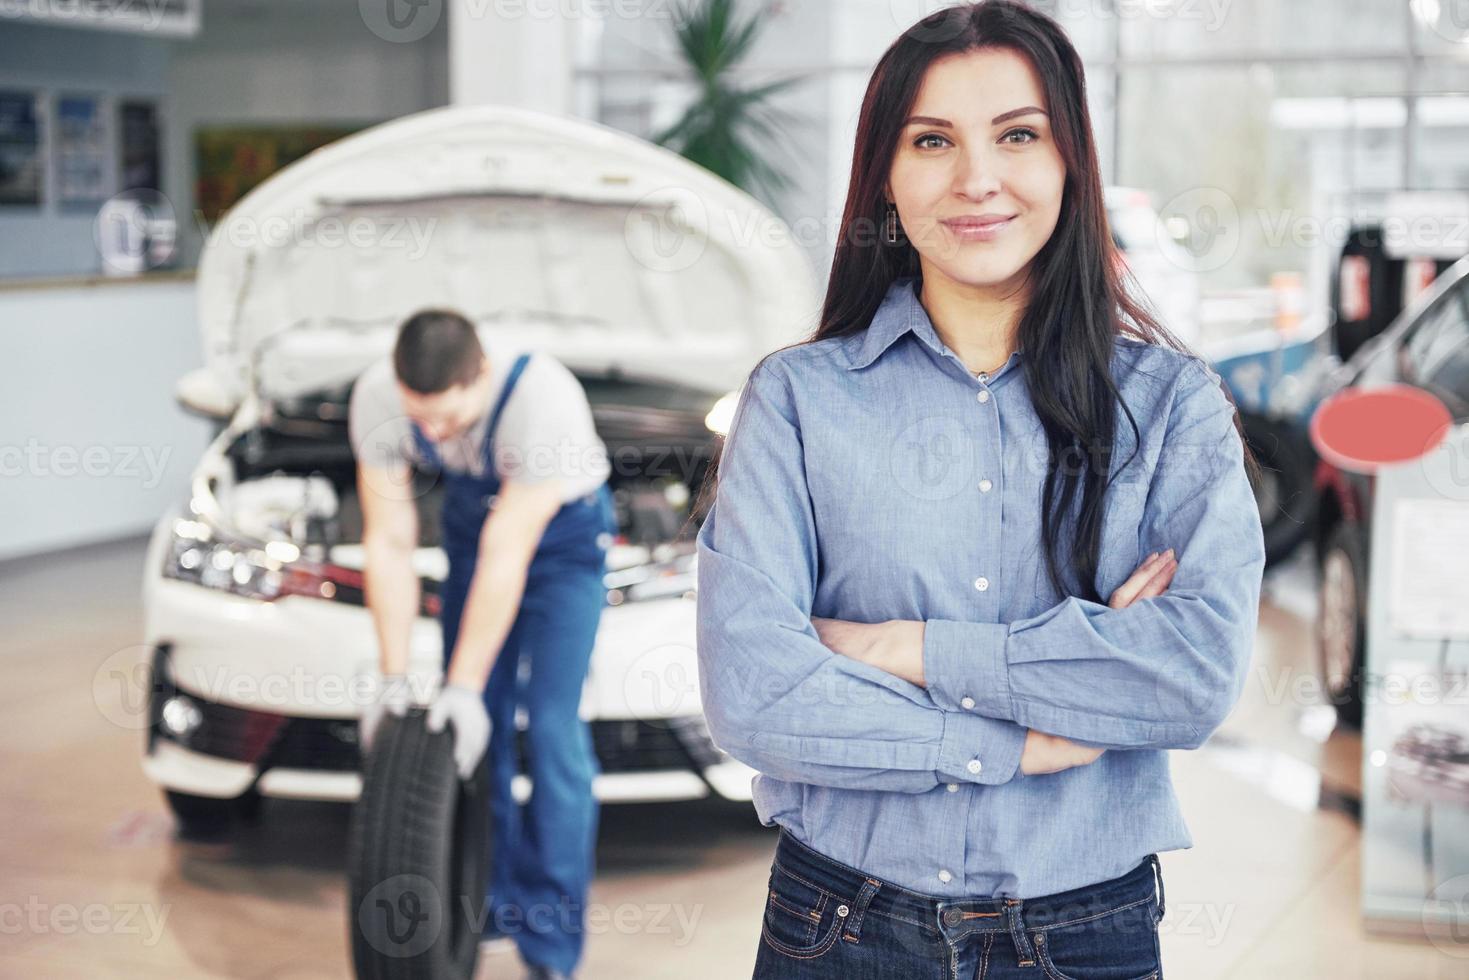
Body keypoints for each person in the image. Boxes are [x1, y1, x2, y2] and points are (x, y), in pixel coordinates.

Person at [693, 3, 1266, 978]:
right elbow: (756, 696)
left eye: (1015, 134)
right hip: (838, 926)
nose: (974, 178)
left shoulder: (1171, 408)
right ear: (882, 169)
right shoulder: (795, 401)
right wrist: (1015, 737)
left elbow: (1189, 674)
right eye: (930, 140)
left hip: (1085, 934)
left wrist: (898, 650)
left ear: (1068, 162)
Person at [348, 309, 615, 980]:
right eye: (420, 418)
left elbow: (511, 549)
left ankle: (551, 944)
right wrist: (392, 676)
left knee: (552, 733)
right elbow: (389, 539)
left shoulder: (541, 398)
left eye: (448, 418)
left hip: (564, 543)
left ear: (482, 376)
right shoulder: (376, 400)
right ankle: (487, 902)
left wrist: (462, 683)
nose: (432, 433)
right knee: (474, 735)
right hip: (472, 529)